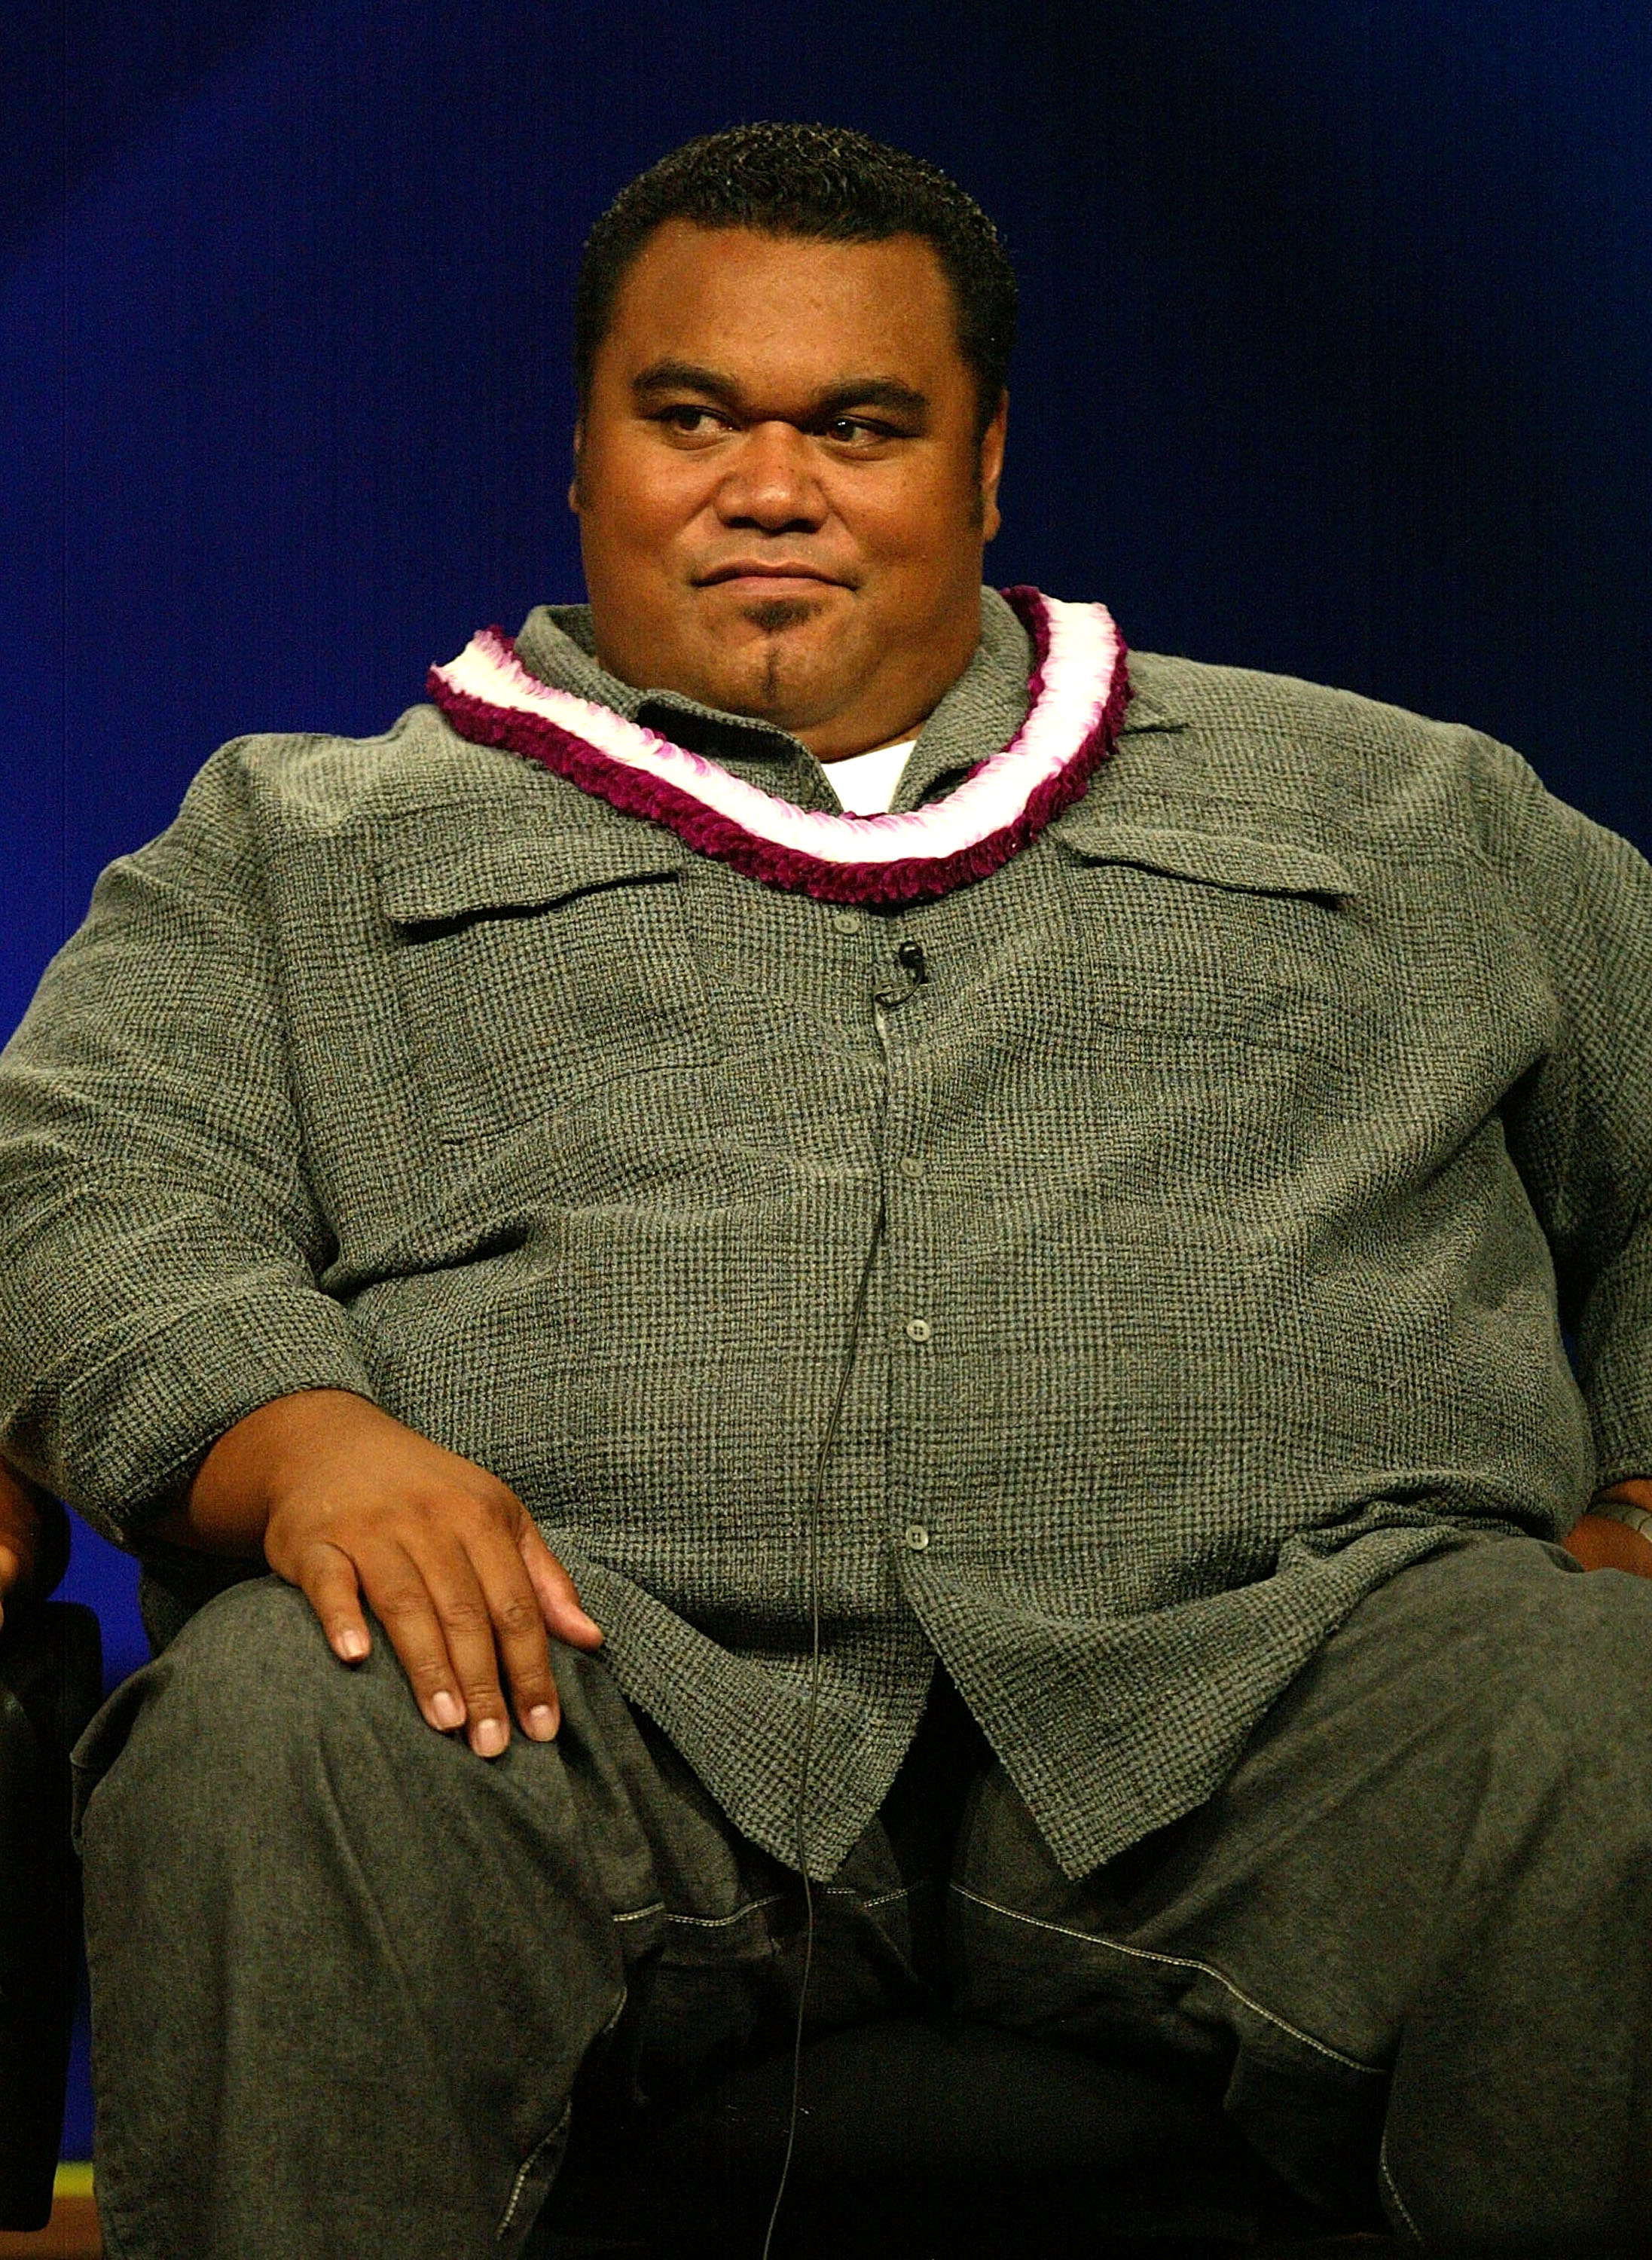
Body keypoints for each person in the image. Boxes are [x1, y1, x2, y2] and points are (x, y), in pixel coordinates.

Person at [2, 121, 1652, 2258]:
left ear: (977, 470)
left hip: (1297, 1696)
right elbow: (82, 1175)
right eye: (689, 417)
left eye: (858, 426)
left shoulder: (1397, 806)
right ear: (582, 455)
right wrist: (294, 1440)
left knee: (1616, 1723)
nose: (768, 484)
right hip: (580, 1700)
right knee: (265, 1733)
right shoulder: (301, 848)